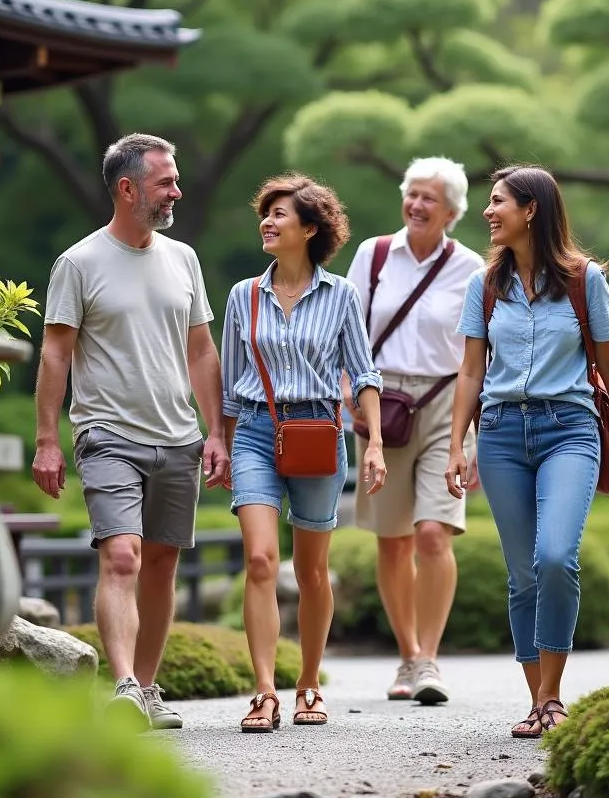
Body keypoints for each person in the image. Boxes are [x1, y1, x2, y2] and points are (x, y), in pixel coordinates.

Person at [32, 133, 230, 730]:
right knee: (122, 555)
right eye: (165, 181)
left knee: (162, 562)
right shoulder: (78, 262)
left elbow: (201, 351)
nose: (176, 190)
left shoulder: (184, 259)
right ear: (128, 188)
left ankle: (146, 688)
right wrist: (46, 440)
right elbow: (54, 355)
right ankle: (122, 686)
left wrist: (215, 431)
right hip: (107, 431)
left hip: (177, 434)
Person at [445, 165, 609, 737]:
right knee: (522, 573)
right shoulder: (484, 285)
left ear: (531, 210)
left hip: (569, 429)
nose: (488, 212)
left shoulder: (585, 281)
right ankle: (540, 702)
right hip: (502, 433)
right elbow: (471, 369)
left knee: (555, 557)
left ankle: (551, 696)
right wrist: (458, 444)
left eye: (498, 201)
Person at [222, 174, 386, 733]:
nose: (267, 222)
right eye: (264, 213)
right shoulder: (243, 295)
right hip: (255, 432)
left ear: (310, 228)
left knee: (313, 571)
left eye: (280, 215)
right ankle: (264, 691)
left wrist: (376, 446)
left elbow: (364, 373)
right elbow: (229, 381)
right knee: (262, 560)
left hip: (319, 432)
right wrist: (219, 442)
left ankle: (309, 683)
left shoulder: (340, 295)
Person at [344, 157, 483, 705]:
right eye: (412, 194)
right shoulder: (374, 254)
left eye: (430, 198)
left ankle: (428, 658)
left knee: (432, 533)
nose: (417, 205)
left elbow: (481, 351)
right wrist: (342, 395)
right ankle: (408, 655)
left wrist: (474, 432)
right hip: (380, 405)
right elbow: (347, 327)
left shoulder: (472, 267)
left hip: (448, 401)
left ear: (452, 211)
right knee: (393, 539)